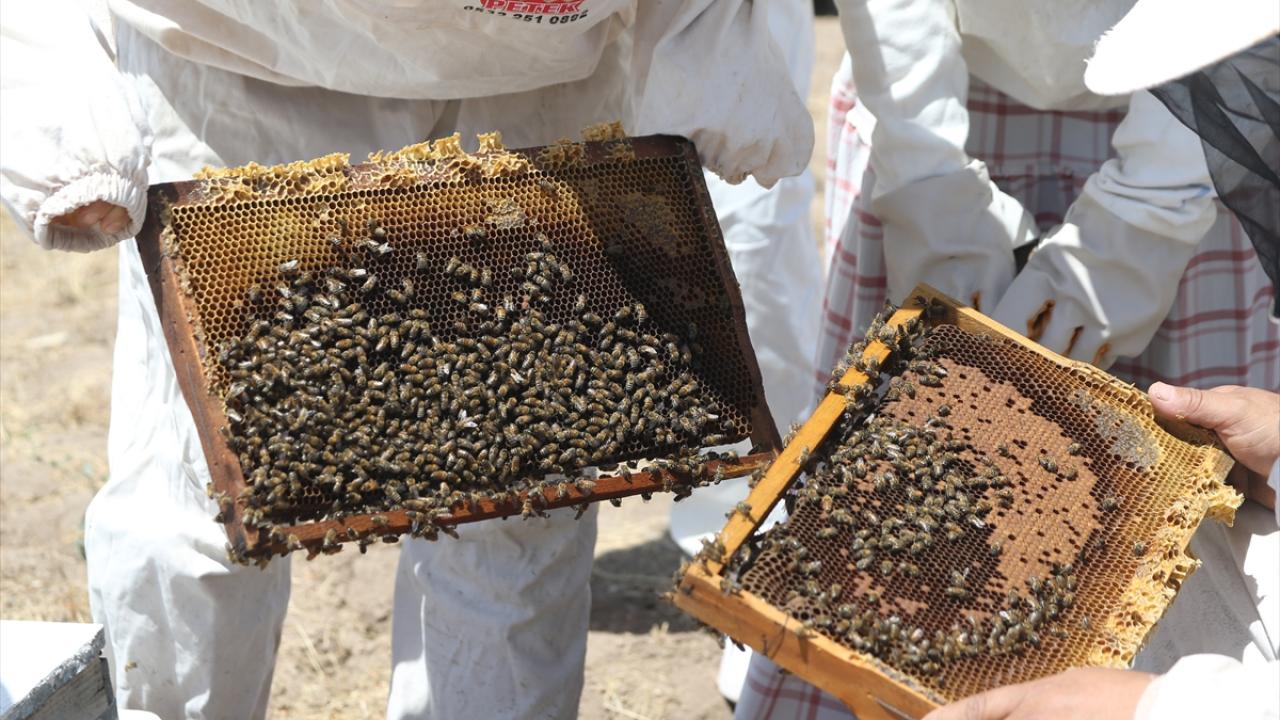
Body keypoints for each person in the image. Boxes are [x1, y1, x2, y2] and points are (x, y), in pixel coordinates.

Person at [0, 2, 814, 718]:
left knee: (522, 486)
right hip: (245, 67)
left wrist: (710, 48)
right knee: (203, 486)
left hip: (535, 81)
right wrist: (59, 120)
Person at [733, 1, 1279, 717]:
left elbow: (1230, 26)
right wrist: (926, 178)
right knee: (885, 474)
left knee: (1146, 527)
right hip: (934, 103)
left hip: (1194, 118)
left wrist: (1152, 205)